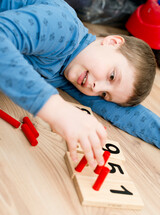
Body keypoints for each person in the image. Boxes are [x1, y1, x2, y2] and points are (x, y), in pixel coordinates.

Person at [0, 0, 159, 168]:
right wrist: (54, 108)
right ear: (112, 42)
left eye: (105, 95)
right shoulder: (62, 26)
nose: (97, 88)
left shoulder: (79, 73)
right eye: (112, 77)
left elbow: (125, 113)